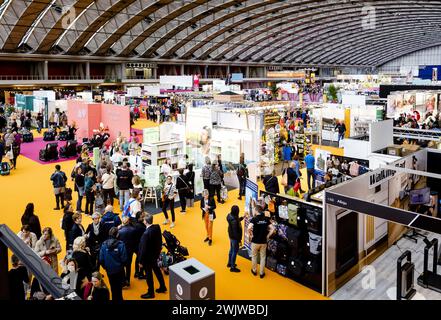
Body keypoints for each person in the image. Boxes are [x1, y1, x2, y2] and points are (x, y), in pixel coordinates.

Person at [138, 213, 167, 299]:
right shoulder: (157, 227)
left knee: (149, 275)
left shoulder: (146, 234)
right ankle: (162, 286)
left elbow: (143, 249)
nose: (143, 220)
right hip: (155, 255)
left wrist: (140, 261)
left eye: (144, 220)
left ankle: (151, 292)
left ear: (146, 222)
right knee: (157, 271)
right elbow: (159, 240)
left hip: (147, 258)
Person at [99, 227, 128, 301]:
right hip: (119, 270)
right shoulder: (121, 244)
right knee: (119, 286)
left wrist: (105, 267)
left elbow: (101, 259)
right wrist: (121, 266)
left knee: (112, 286)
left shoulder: (104, 244)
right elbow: (124, 258)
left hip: (109, 270)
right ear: (117, 234)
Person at [247, 205, 275, 279]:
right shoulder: (266, 219)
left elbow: (249, 227)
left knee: (254, 256)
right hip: (263, 242)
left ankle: (254, 270)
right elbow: (272, 228)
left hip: (255, 241)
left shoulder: (254, 219)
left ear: (256, 211)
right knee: (263, 257)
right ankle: (262, 273)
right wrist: (268, 236)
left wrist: (251, 234)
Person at [118, 216, 138, 287]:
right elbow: (136, 240)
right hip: (130, 250)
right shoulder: (133, 229)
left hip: (122, 250)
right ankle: (128, 280)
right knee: (128, 265)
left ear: (122, 222)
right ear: (128, 221)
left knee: (122, 265)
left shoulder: (119, 231)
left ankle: (123, 281)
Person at [227, 205, 243, 273]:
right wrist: (239, 240)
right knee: (234, 251)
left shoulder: (230, 216)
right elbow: (236, 232)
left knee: (231, 249)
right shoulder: (234, 221)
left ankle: (229, 263)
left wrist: (242, 217)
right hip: (234, 238)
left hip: (231, 235)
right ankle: (232, 267)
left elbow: (236, 220)